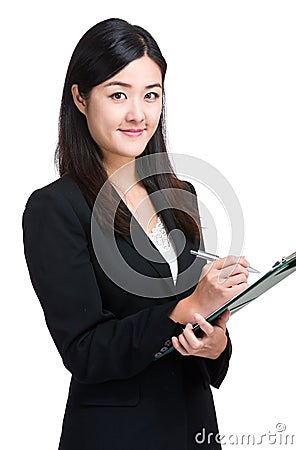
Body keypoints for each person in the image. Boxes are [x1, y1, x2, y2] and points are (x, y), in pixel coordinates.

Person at [22, 18, 250, 450]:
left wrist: (215, 342)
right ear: (80, 98)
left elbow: (192, 329)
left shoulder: (180, 195)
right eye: (118, 94)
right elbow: (84, 351)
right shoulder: (56, 207)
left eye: (151, 95)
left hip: (194, 428)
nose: (137, 114)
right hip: (117, 436)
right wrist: (183, 309)